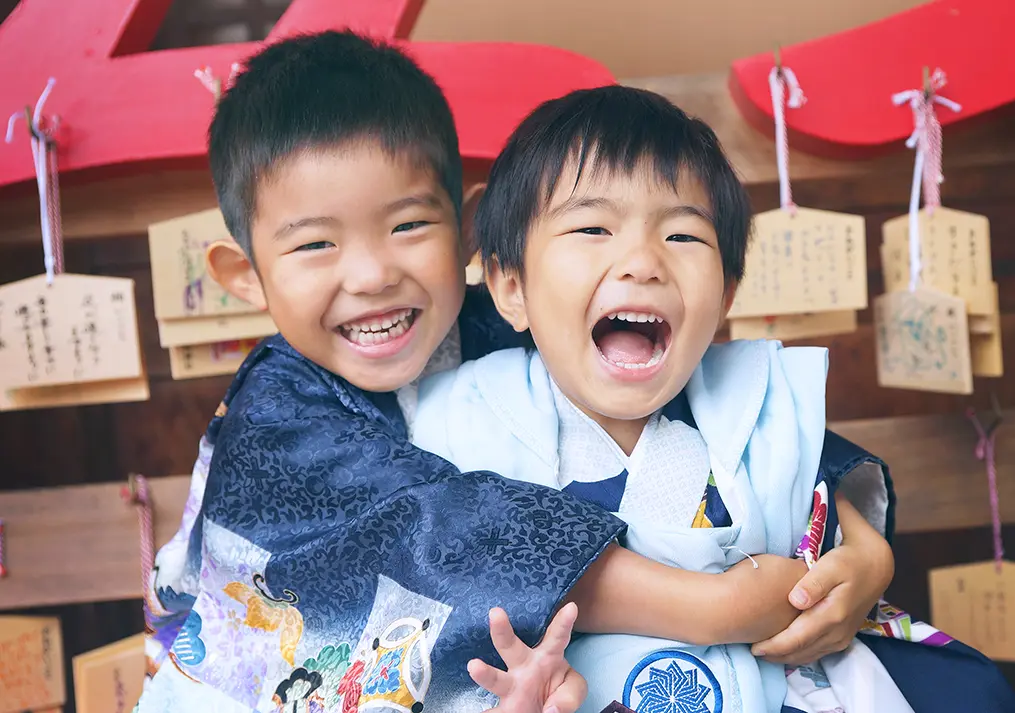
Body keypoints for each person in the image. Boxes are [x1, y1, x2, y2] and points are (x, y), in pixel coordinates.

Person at [137, 32, 898, 713]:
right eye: (313, 246)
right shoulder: (276, 409)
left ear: (468, 231)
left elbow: (731, 410)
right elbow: (433, 534)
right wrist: (711, 606)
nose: (370, 275)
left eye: (408, 226)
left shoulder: (511, 310)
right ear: (244, 273)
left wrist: (856, 546)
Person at [413, 85, 1015, 713]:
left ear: (727, 295)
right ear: (510, 286)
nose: (643, 262)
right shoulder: (461, 421)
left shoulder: (750, 400)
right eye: (593, 227)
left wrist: (857, 562)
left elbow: (820, 516)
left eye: (683, 237)